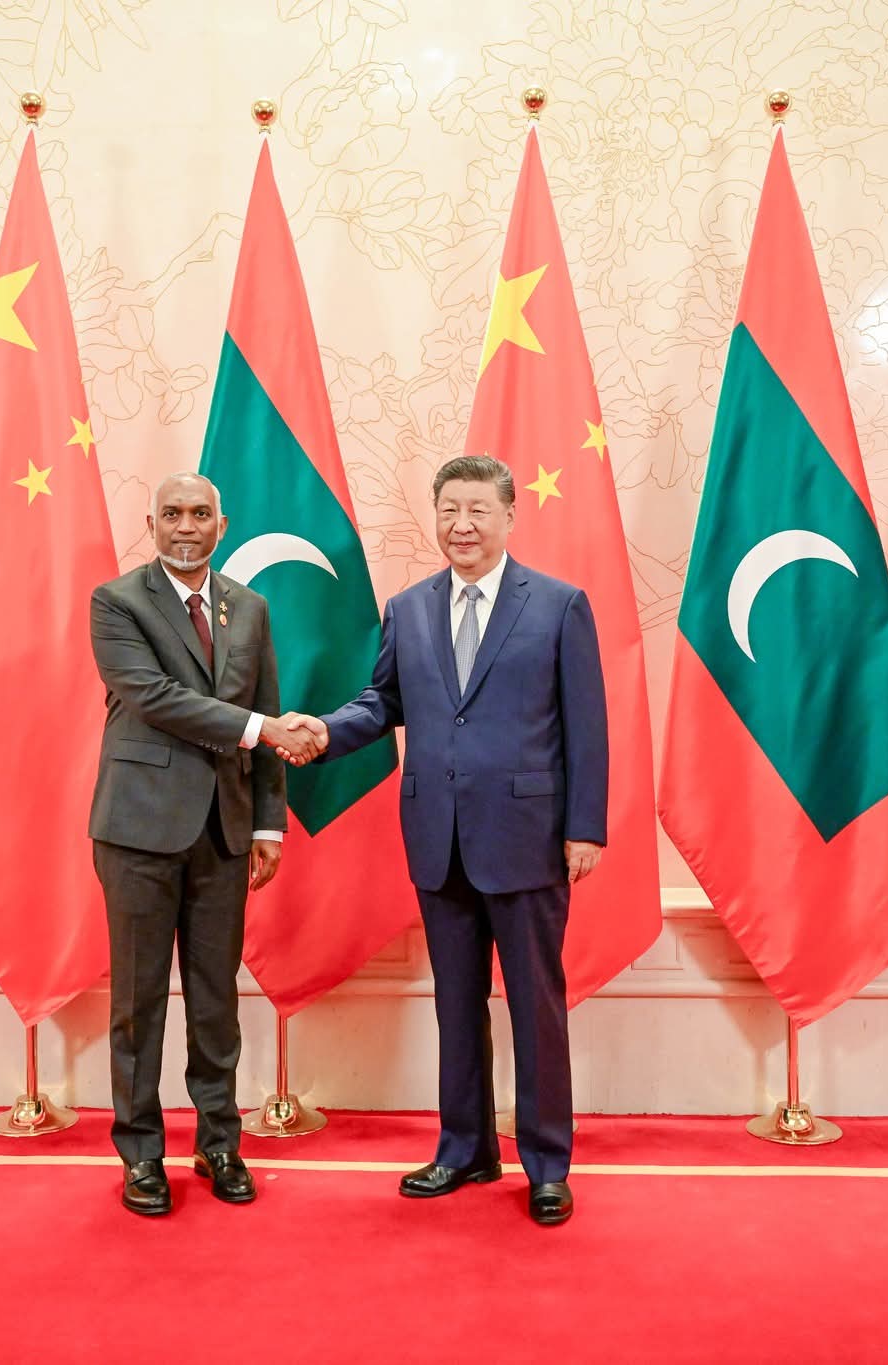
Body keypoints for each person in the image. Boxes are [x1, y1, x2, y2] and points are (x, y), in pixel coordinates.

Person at [291, 455, 606, 1226]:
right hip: (438, 836)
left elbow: (588, 726)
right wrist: (323, 731)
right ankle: (464, 1147)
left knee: (536, 1007)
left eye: (477, 510)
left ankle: (546, 1164)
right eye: (449, 510)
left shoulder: (558, 605)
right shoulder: (408, 608)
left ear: (508, 517)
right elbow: (382, 702)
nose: (462, 525)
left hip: (528, 838)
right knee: (455, 1003)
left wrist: (584, 827)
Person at [88, 471, 319, 1216]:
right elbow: (155, 698)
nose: (185, 526)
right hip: (138, 832)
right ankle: (141, 1153)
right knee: (138, 1002)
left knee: (216, 1000)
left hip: (224, 830)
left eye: (199, 514)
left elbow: (265, 704)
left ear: (223, 524)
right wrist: (263, 730)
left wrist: (267, 824)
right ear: (151, 523)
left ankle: (220, 1141)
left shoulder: (249, 607)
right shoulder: (117, 601)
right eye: (172, 514)